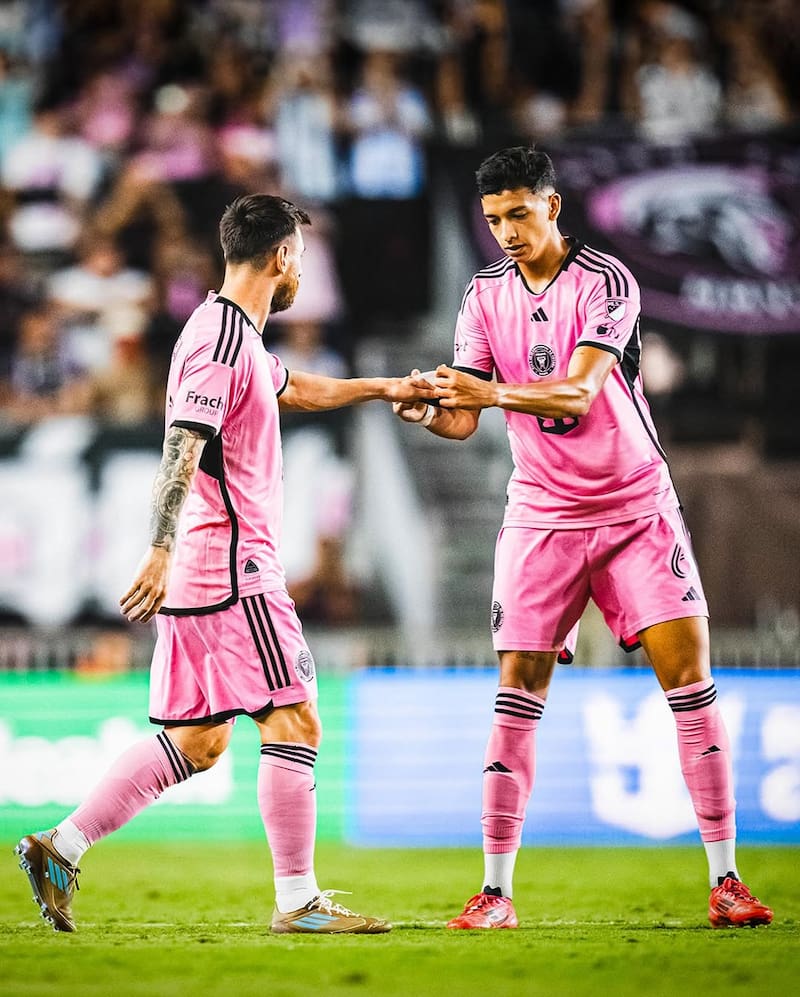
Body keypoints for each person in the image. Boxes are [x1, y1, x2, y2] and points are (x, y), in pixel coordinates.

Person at [15, 193, 433, 935]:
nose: (304, 267)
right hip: (234, 567)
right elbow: (183, 442)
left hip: (205, 569)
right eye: (301, 254)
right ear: (281, 257)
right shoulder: (220, 341)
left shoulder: (227, 332)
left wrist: (388, 386)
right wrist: (157, 547)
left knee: (198, 743)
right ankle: (299, 903)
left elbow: (292, 387)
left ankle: (62, 845)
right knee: (297, 719)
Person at [394, 146, 773, 931]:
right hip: (541, 515)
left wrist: (487, 391)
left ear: (553, 206)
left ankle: (727, 880)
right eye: (494, 218)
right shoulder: (481, 295)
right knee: (516, 695)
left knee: (690, 683)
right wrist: (433, 411)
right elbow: (465, 420)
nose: (505, 231)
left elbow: (577, 388)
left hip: (637, 507)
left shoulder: (607, 280)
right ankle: (495, 891)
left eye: (519, 214)